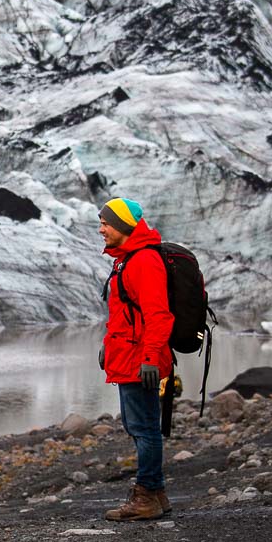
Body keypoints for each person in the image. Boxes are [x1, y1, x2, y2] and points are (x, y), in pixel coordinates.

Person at [97, 197, 174, 521]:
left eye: (105, 223)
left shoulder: (143, 261)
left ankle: (146, 496)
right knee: (140, 426)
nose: (101, 229)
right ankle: (155, 493)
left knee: (144, 429)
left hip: (140, 362)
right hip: (129, 356)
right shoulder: (127, 260)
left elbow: (159, 316)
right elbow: (126, 316)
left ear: (123, 225)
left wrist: (150, 359)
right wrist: (107, 346)